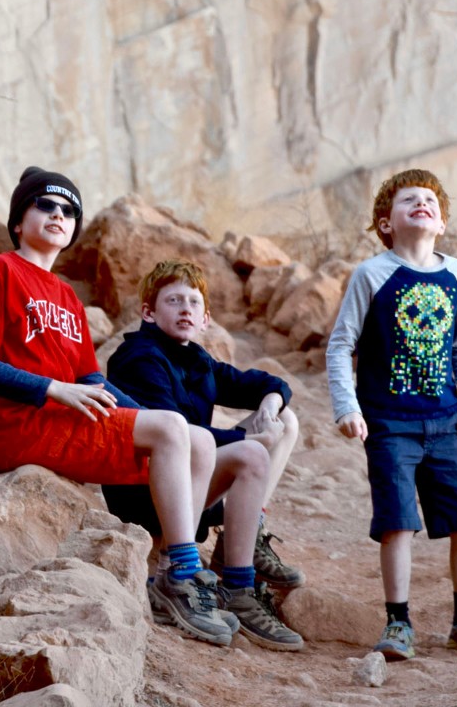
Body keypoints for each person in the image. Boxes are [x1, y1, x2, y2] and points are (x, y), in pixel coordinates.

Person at [0, 166, 238, 647]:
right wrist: (51, 389)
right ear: (18, 220)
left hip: (65, 419)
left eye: (69, 211)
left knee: (194, 438)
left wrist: (141, 419)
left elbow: (90, 378)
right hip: (20, 424)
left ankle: (175, 568)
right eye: (45, 205)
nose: (58, 215)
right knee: (173, 430)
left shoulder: (66, 296)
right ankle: (181, 577)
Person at [326, 168, 457, 661]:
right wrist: (348, 407)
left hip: (446, 420)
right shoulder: (372, 274)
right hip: (388, 423)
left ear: (442, 222)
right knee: (397, 522)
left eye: (430, 200)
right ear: (387, 223)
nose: (421, 204)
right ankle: (398, 623)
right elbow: (342, 344)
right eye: (409, 200)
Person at [102, 259, 304, 652]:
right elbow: (180, 434)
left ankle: (243, 547)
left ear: (205, 318)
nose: (185, 309)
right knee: (250, 453)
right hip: (145, 494)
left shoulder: (196, 359)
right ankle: (235, 585)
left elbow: (265, 382)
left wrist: (271, 401)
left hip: (189, 485)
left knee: (285, 419)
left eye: (194, 303)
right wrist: (246, 438)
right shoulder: (139, 358)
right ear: (149, 312)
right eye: (174, 300)